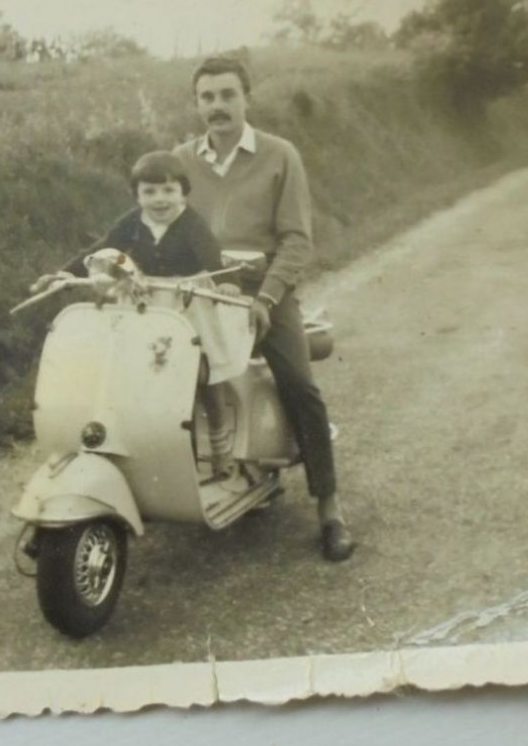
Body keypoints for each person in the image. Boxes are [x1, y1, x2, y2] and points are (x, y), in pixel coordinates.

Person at [172, 56, 355, 562]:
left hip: (265, 292)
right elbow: (154, 223)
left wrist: (267, 299)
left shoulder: (280, 156)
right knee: (157, 373)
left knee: (299, 384)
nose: (217, 106)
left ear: (246, 99)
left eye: (227, 95)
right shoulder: (181, 160)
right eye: (207, 97)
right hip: (203, 294)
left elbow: (297, 240)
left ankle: (331, 511)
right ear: (196, 104)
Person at [32, 151, 239, 478]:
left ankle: (220, 445)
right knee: (135, 372)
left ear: (183, 192)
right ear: (137, 195)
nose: (160, 199)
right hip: (146, 302)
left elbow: (212, 256)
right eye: (150, 192)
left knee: (202, 371)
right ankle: (146, 446)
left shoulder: (191, 223)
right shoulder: (132, 221)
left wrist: (227, 284)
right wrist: (64, 275)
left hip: (188, 302)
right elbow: (101, 250)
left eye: (169, 190)